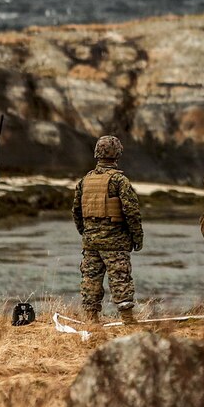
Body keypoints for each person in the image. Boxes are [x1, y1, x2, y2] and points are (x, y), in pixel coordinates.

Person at [72, 135, 144, 324]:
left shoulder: (84, 181)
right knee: (120, 278)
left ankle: (91, 319)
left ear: (97, 153)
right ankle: (128, 320)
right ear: (117, 154)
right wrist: (137, 237)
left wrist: (86, 232)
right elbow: (132, 212)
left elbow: (76, 212)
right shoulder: (119, 181)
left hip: (91, 242)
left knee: (90, 279)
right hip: (115, 242)